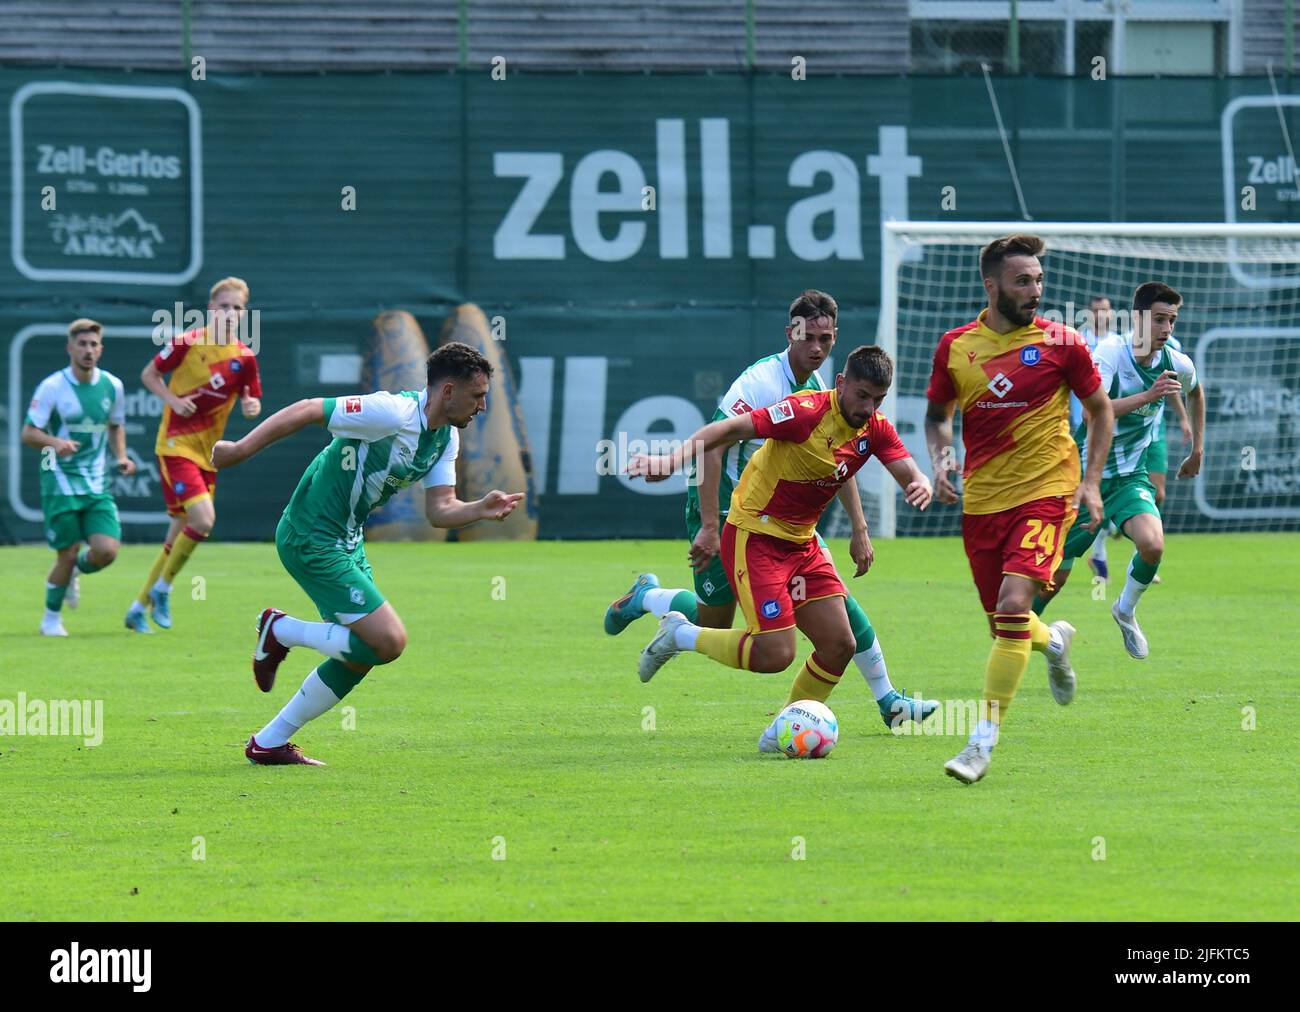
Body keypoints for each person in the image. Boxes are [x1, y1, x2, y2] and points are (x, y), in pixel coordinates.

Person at [605, 290, 935, 726]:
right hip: (730, 512)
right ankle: (651, 598)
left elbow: (841, 459)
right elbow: (716, 443)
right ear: (790, 334)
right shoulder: (763, 383)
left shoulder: (829, 392)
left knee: (841, 620)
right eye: (809, 337)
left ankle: (886, 700)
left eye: (826, 338)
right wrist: (706, 522)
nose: (817, 348)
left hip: (791, 521)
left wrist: (860, 527)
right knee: (718, 623)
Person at [210, 342, 525, 766]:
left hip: (347, 539)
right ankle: (280, 630)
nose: (483, 406)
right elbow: (307, 408)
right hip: (311, 534)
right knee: (388, 641)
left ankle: (269, 742)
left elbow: (440, 511)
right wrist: (240, 450)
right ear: (448, 391)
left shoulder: (445, 437)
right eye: (478, 396)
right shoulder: (391, 412)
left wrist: (479, 510)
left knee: (364, 654)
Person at [924, 233, 1113, 785]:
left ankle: (980, 743)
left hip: (1048, 493)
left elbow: (1101, 412)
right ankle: (1054, 641)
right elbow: (937, 415)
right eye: (1022, 281)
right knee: (1004, 624)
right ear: (992, 286)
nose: (1035, 290)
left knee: (1012, 604)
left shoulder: (1063, 343)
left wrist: (1092, 484)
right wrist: (941, 460)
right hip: (983, 502)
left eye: (1038, 280)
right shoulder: (957, 346)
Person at [1033, 282, 1204, 659]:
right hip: (1082, 477)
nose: (1167, 329)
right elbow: (1096, 408)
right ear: (1138, 317)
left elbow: (1195, 391)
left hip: (1129, 477)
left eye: (1172, 321)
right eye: (1160, 319)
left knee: (1153, 544)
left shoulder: (1177, 361)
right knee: (1054, 578)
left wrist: (1197, 450)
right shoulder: (1110, 352)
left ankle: (1125, 610)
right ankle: (1028, 633)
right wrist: (1148, 396)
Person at [125, 277, 262, 633]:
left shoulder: (245, 358)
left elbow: (253, 400)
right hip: (175, 445)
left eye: (238, 308)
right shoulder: (187, 342)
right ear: (211, 309)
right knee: (202, 520)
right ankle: (164, 589)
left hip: (209, 455)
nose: (231, 313)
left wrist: (251, 406)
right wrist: (173, 400)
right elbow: (149, 374)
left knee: (179, 531)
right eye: (225, 306)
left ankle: (139, 606)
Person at [21, 319, 135, 636]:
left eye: (93, 345)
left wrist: (122, 456)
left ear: (101, 349)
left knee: (107, 551)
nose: (88, 350)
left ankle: (74, 572)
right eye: (82, 344)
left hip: (97, 484)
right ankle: (50, 619)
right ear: (70, 348)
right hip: (60, 481)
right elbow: (28, 432)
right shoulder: (53, 387)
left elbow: (115, 425)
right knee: (66, 553)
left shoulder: (113, 386)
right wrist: (56, 444)